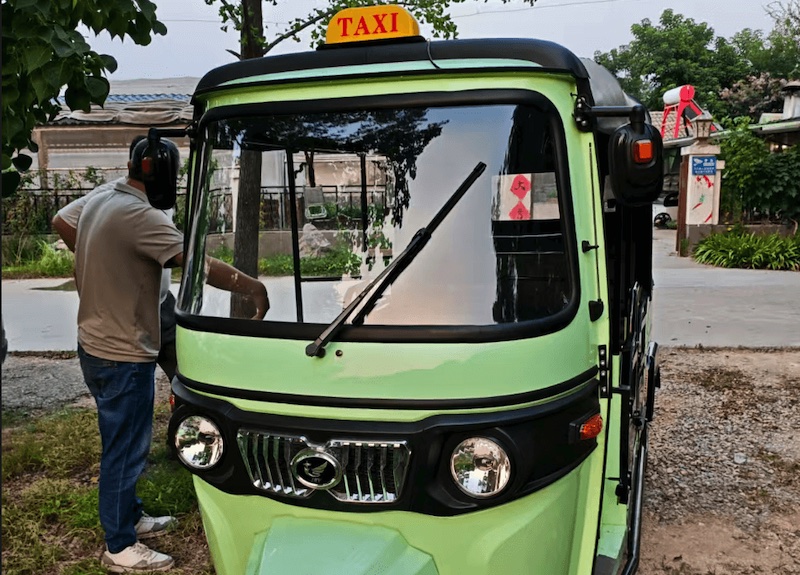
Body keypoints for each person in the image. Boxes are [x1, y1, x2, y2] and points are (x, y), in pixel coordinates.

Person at [73, 137, 269, 572]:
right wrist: (252, 287)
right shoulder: (140, 216)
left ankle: (130, 517)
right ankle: (120, 546)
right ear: (161, 174)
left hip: (95, 341)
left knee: (122, 441)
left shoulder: (102, 198)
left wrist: (110, 266)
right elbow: (199, 264)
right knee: (125, 450)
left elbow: (62, 221)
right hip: (122, 351)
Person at [52, 136, 178, 382]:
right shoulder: (113, 194)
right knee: (131, 380)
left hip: (161, 302)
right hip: (128, 313)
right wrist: (98, 258)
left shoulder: (160, 193)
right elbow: (62, 220)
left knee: (182, 373)